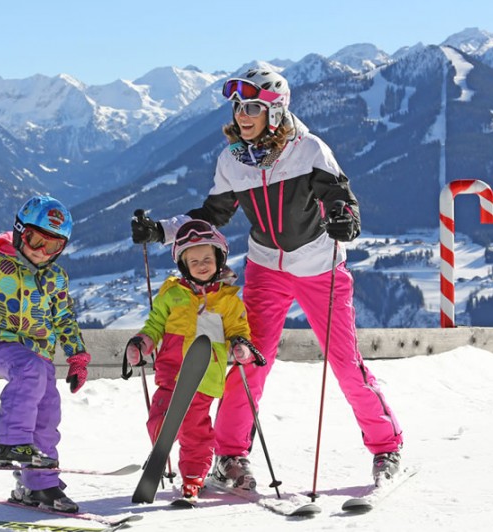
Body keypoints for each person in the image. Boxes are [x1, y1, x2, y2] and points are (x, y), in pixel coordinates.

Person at [131, 69, 403, 489]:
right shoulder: (233, 160)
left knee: (345, 363)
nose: (243, 115)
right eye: (239, 107)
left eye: (253, 107)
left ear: (275, 111)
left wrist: (344, 217)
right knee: (247, 361)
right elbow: (212, 216)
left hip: (318, 266)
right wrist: (162, 231)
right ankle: (231, 456)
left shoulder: (308, 149)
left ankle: (386, 447)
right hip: (265, 268)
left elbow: (340, 196)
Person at [0, 195, 92, 514]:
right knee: (29, 372)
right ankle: (9, 441)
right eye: (35, 240)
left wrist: (77, 356)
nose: (41, 251)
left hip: (41, 353)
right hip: (2, 342)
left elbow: (64, 317)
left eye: (51, 246)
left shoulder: (56, 278)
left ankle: (38, 485)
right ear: (20, 232)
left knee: (49, 411)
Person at [124, 219, 261, 502]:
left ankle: (193, 477)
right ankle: (162, 445)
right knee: (159, 417)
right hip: (170, 373)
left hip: (204, 377)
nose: (201, 265)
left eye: (207, 259)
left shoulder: (228, 300)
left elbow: (239, 330)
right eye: (194, 260)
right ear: (183, 264)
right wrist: (142, 343)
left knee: (195, 432)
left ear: (219, 259)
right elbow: (154, 325)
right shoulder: (171, 294)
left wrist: (241, 347)